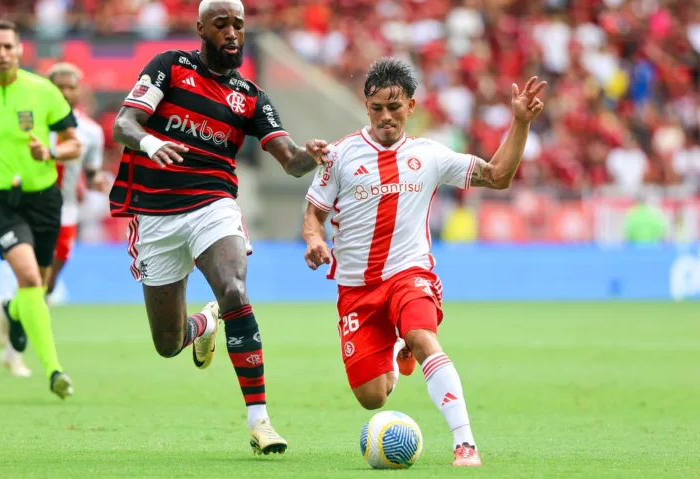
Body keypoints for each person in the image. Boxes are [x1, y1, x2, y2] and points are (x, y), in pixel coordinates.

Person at [301, 58, 546, 467]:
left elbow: (498, 176)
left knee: (423, 337)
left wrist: (519, 122)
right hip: (356, 288)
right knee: (372, 397)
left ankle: (464, 443)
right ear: (366, 107)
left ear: (411, 107)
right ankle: (398, 345)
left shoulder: (429, 155)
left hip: (409, 274)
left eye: (394, 108)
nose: (386, 117)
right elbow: (313, 214)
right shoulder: (339, 156)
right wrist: (313, 240)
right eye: (377, 108)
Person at [109, 0, 323, 455]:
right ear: (201, 27)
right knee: (167, 345)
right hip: (156, 216)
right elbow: (124, 123)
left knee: (235, 290)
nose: (232, 33)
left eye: (238, 25)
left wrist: (316, 153)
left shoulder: (251, 97)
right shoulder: (169, 67)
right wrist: (150, 142)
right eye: (221, 24)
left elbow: (290, 161)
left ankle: (260, 421)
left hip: (213, 205)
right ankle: (204, 323)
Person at [0, 20, 82, 399]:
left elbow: (74, 143)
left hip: (43, 198)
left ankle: (14, 313)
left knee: (37, 286)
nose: (3, 54)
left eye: (9, 46)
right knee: (28, 278)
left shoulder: (43, 91)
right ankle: (55, 370)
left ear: (20, 49)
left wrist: (52, 151)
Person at [0, 61, 109, 375]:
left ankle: (11, 312)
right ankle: (16, 352)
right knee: (29, 278)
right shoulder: (31, 122)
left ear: (79, 90)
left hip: (66, 211)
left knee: (47, 285)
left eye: (71, 87)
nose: (66, 92)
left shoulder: (91, 131)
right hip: (29, 207)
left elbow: (92, 169)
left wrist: (98, 180)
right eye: (60, 86)